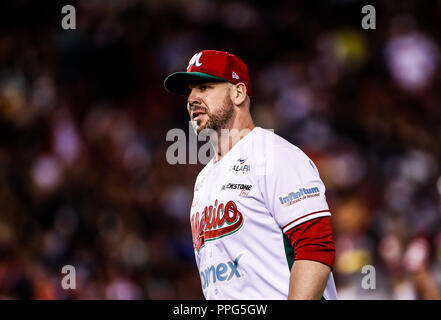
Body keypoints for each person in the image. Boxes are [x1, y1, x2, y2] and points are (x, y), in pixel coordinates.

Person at [164, 50, 337, 300]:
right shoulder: (204, 179)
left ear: (238, 93)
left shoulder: (275, 155)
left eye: (204, 87)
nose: (192, 98)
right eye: (189, 91)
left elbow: (315, 248)